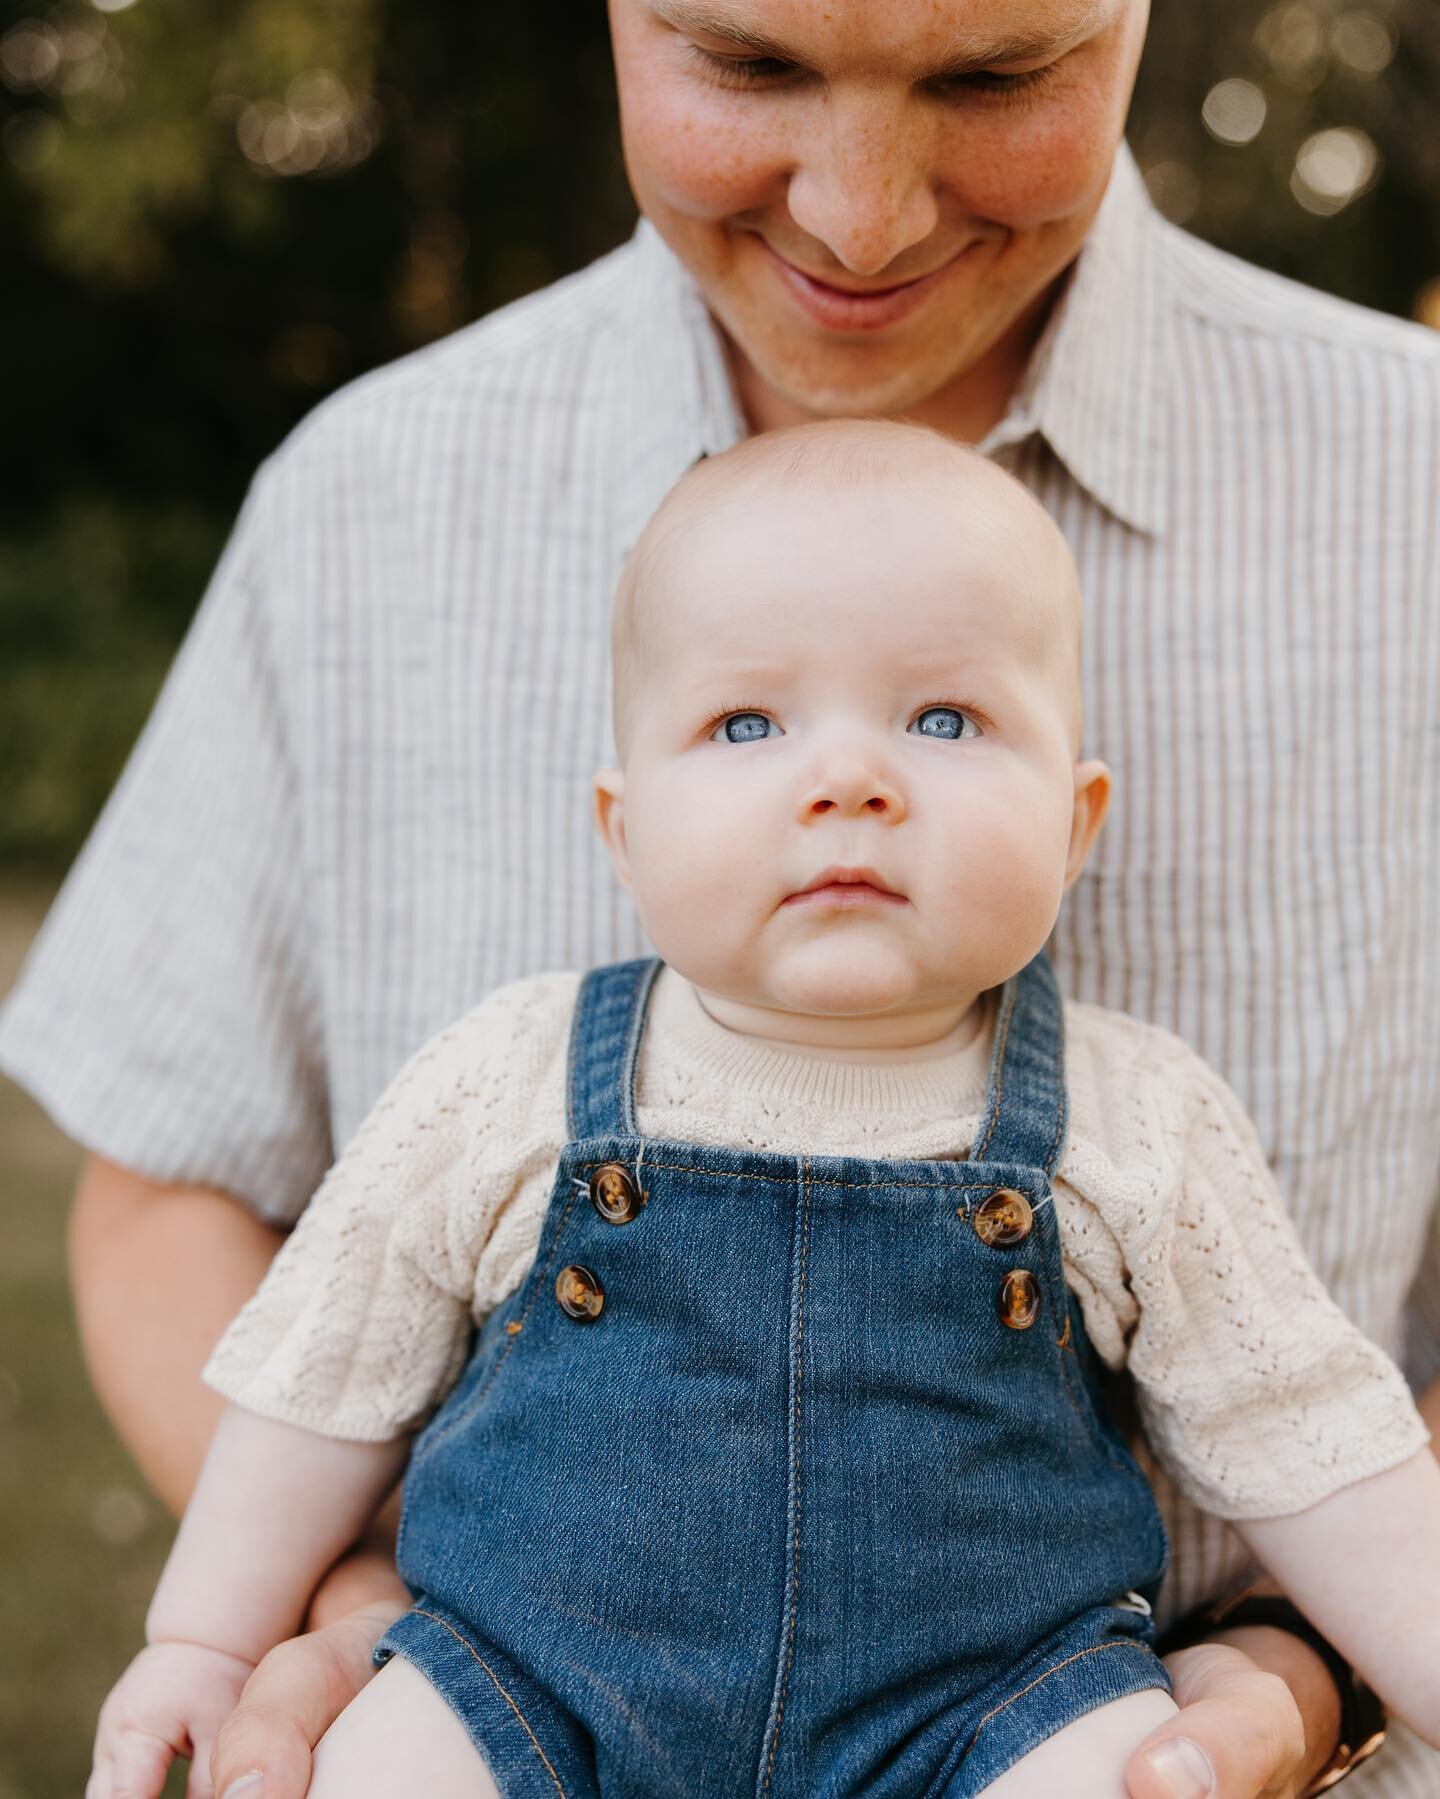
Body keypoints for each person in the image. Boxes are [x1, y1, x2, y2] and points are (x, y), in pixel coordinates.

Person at [4, 0, 1439, 1793]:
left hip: (1051, 1715)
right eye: (747, 66)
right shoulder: (362, 502)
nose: (861, 215)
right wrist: (308, 1613)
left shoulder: (1416, 491)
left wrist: (1318, 1673)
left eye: (994, 78)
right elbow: (192, 1204)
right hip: (514, 1681)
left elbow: (1307, 1416)